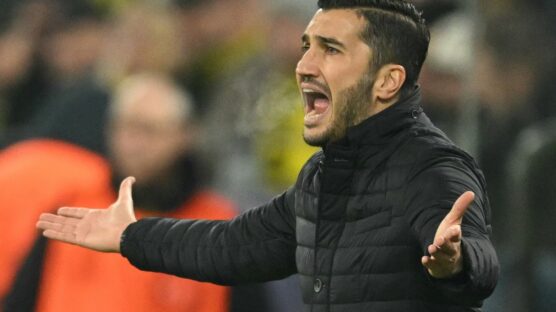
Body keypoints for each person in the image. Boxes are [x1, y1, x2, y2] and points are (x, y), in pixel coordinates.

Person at [36, 1, 499, 311]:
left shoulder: (432, 166)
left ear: (387, 82)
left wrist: (455, 264)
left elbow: (478, 261)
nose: (303, 65)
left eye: (330, 50)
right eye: (307, 47)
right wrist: (132, 236)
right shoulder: (322, 177)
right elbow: (234, 247)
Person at [2, 74, 237, 312]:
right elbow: (21, 299)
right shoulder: (75, 206)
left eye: (149, 130)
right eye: (124, 127)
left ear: (185, 135)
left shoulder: (217, 224)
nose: (133, 144)